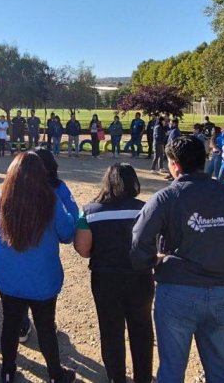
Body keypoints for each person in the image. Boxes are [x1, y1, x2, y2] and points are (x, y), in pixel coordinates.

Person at [131, 136, 224, 383]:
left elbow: (138, 241)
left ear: (175, 165)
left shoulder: (167, 197)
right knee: (220, 367)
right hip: (222, 291)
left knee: (172, 368)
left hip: (177, 292)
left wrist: (151, 261)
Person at [0, 152, 77, 383]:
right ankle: (55, 375)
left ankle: (7, 372)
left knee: (10, 322)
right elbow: (67, 233)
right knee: (46, 326)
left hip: (9, 276)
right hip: (42, 277)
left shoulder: (3, 195)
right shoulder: (51, 199)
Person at [74, 163, 153, 383]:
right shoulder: (145, 209)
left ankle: (116, 378)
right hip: (140, 277)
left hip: (105, 278)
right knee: (142, 330)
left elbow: (82, 248)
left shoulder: (88, 211)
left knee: (111, 332)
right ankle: (143, 378)